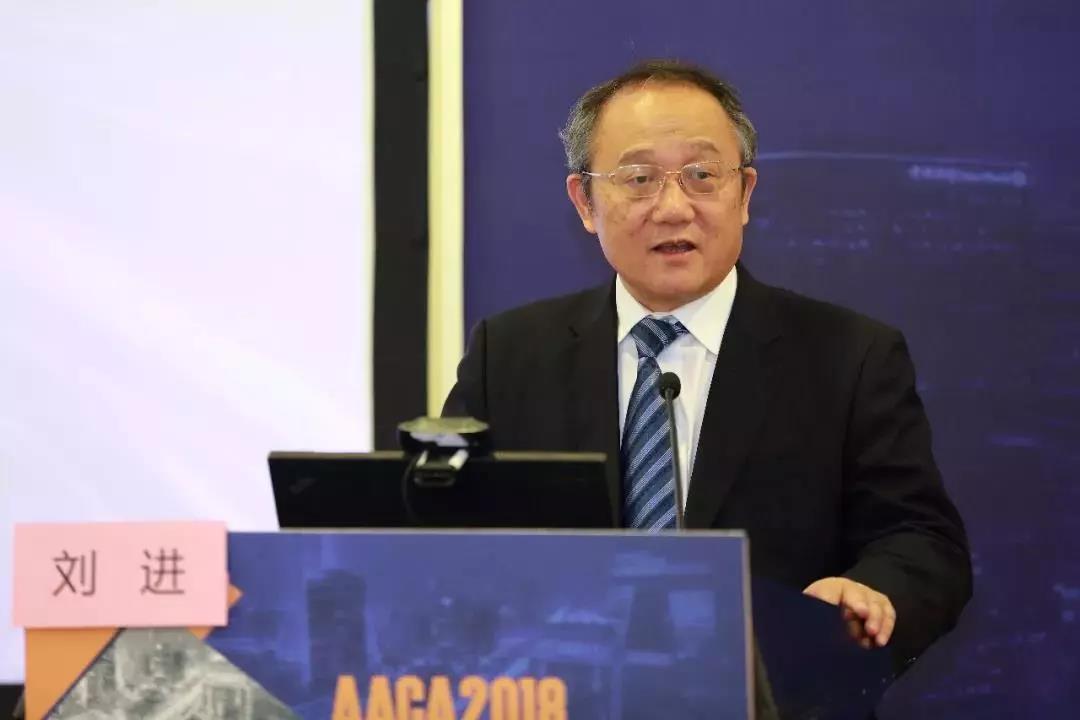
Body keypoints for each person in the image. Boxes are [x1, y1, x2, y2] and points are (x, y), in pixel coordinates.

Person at [443, 59, 971, 663]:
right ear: (585, 202)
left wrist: (868, 594)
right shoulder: (510, 354)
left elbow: (922, 542)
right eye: (639, 178)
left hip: (776, 689)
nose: (673, 207)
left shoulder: (849, 356)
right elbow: (442, 532)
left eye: (701, 175)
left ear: (744, 194)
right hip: (560, 690)